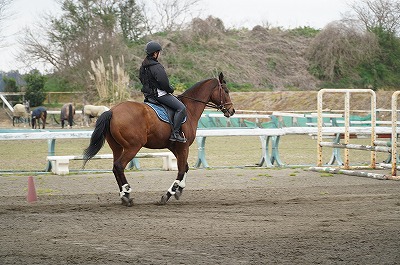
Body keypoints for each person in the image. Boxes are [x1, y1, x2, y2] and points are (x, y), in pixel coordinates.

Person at [139, 41, 187, 143]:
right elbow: (164, 83)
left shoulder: (143, 66)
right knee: (181, 108)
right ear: (155, 53)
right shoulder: (156, 66)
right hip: (159, 95)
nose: (159, 54)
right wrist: (171, 89)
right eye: (158, 52)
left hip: (148, 96)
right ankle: (175, 133)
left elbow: (141, 80)